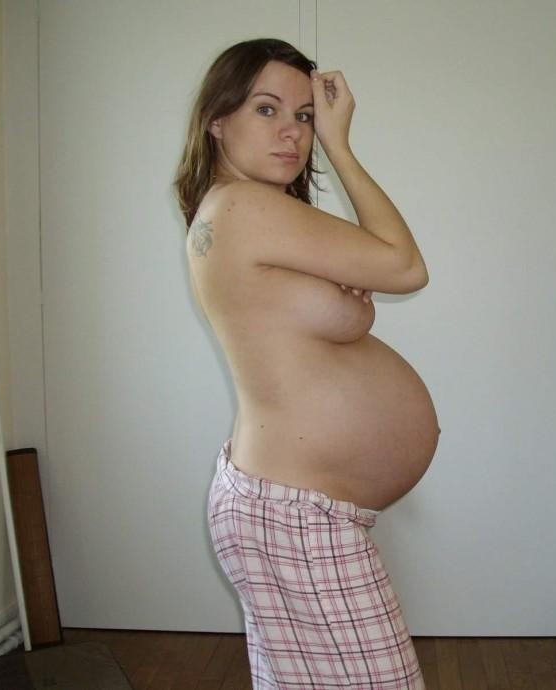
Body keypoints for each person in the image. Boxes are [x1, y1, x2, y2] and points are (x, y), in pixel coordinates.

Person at [174, 38, 439, 689]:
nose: (293, 133)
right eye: (267, 109)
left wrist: (346, 300)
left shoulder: (247, 210)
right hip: (295, 516)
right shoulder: (244, 205)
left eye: (305, 116)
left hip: (290, 509)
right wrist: (341, 146)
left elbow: (350, 304)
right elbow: (405, 266)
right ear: (217, 119)